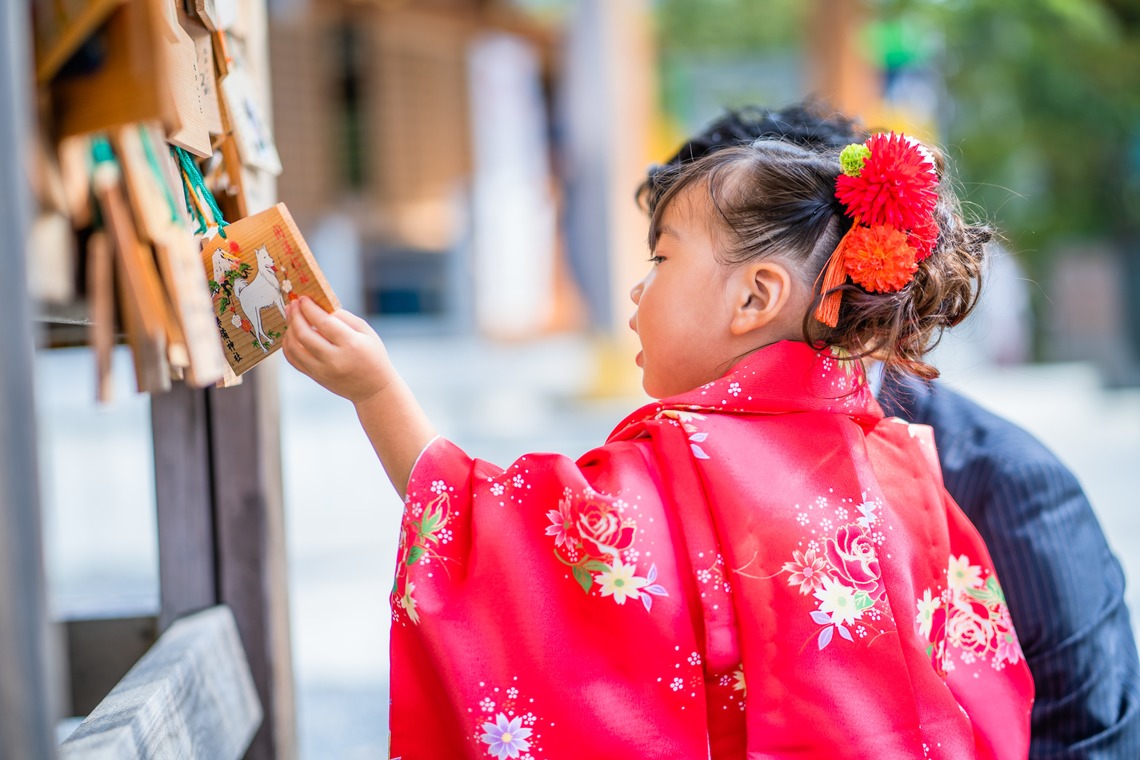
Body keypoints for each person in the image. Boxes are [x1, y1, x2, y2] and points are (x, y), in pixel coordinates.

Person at [283, 113, 1034, 757]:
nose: (639, 288)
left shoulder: (674, 471)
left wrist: (375, 391)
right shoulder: (902, 473)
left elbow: (487, 528)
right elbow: (982, 695)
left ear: (754, 297)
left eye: (663, 257)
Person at [645, 102, 1140, 758]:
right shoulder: (681, 460)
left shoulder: (1005, 482)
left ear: (766, 291)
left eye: (665, 261)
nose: (642, 295)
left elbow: (1088, 735)